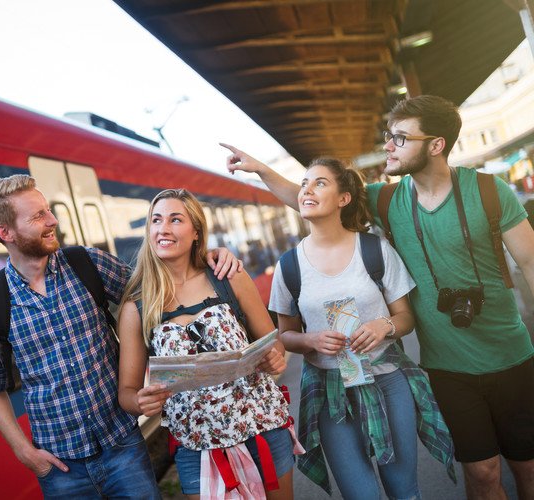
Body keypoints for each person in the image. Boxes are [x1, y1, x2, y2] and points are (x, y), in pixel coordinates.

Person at [222, 94, 534, 499]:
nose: (388, 145)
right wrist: (262, 169)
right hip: (447, 367)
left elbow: (529, 262)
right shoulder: (388, 200)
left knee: (526, 468)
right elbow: (316, 199)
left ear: (435, 145)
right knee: (484, 473)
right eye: (389, 136)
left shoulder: (490, 192)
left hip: (512, 355)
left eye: (400, 138)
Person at [0, 174, 241, 499]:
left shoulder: (87, 263)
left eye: (48, 210)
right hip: (59, 466)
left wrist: (207, 257)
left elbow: (160, 291)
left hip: (122, 446)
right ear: (6, 233)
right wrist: (25, 453)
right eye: (38, 215)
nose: (52, 220)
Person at [267, 158, 454, 498]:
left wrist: (383, 327)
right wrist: (311, 339)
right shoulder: (289, 265)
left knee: (404, 491)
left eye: (320, 183)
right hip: (329, 393)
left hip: (387, 381)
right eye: (305, 182)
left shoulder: (374, 250)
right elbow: (286, 334)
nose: (307, 188)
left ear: (344, 199)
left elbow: (406, 318)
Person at [117, 188, 295, 500]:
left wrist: (276, 359)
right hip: (196, 448)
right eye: (156, 220)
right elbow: (127, 394)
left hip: (262, 430)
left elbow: (273, 345)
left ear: (196, 232)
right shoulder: (137, 307)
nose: (163, 228)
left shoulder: (228, 277)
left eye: (175, 219)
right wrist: (140, 402)